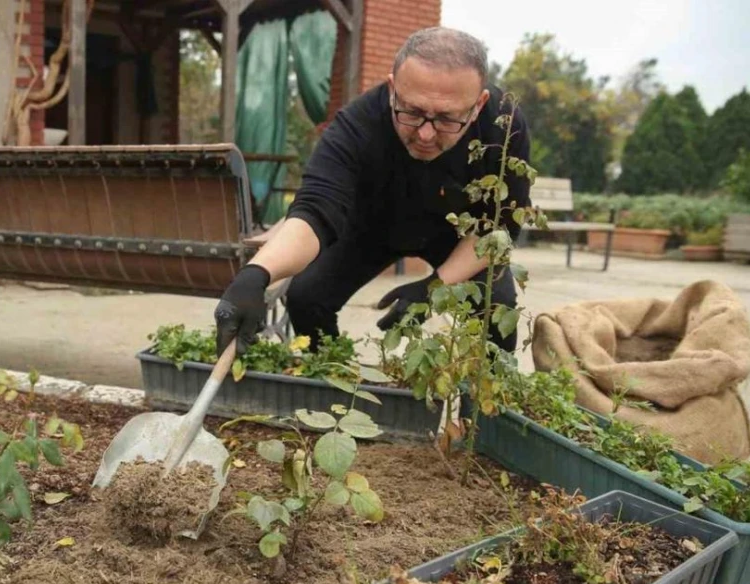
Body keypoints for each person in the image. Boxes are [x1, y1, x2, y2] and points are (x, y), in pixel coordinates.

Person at [214, 26, 531, 358]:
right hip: (372, 226)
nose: (425, 134)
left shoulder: (505, 125)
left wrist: (433, 287)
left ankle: (479, 409)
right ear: (393, 88)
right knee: (307, 297)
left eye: (447, 119)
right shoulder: (356, 125)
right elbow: (314, 210)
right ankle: (332, 380)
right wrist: (255, 275)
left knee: (497, 310)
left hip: (459, 234)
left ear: (478, 105)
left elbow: (497, 228)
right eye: (412, 112)